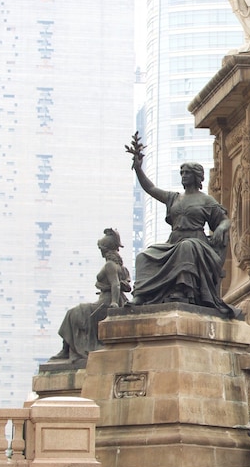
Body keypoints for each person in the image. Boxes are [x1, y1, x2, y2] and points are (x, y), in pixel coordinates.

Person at [127, 136, 238, 318]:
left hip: (197, 243)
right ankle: (140, 295)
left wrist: (220, 229)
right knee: (144, 256)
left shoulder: (205, 200)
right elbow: (151, 188)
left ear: (196, 176)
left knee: (186, 247)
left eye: (187, 173)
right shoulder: (174, 198)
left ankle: (183, 289)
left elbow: (225, 220)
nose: (183, 176)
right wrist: (138, 168)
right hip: (173, 242)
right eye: (182, 173)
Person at [49, 229, 130, 362]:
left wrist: (114, 303)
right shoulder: (122, 268)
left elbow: (115, 285)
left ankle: (66, 350)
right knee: (75, 312)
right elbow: (126, 285)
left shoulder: (110, 265)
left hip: (105, 302)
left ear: (106, 249)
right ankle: (66, 350)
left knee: (72, 313)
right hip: (112, 300)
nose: (101, 251)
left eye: (101, 248)